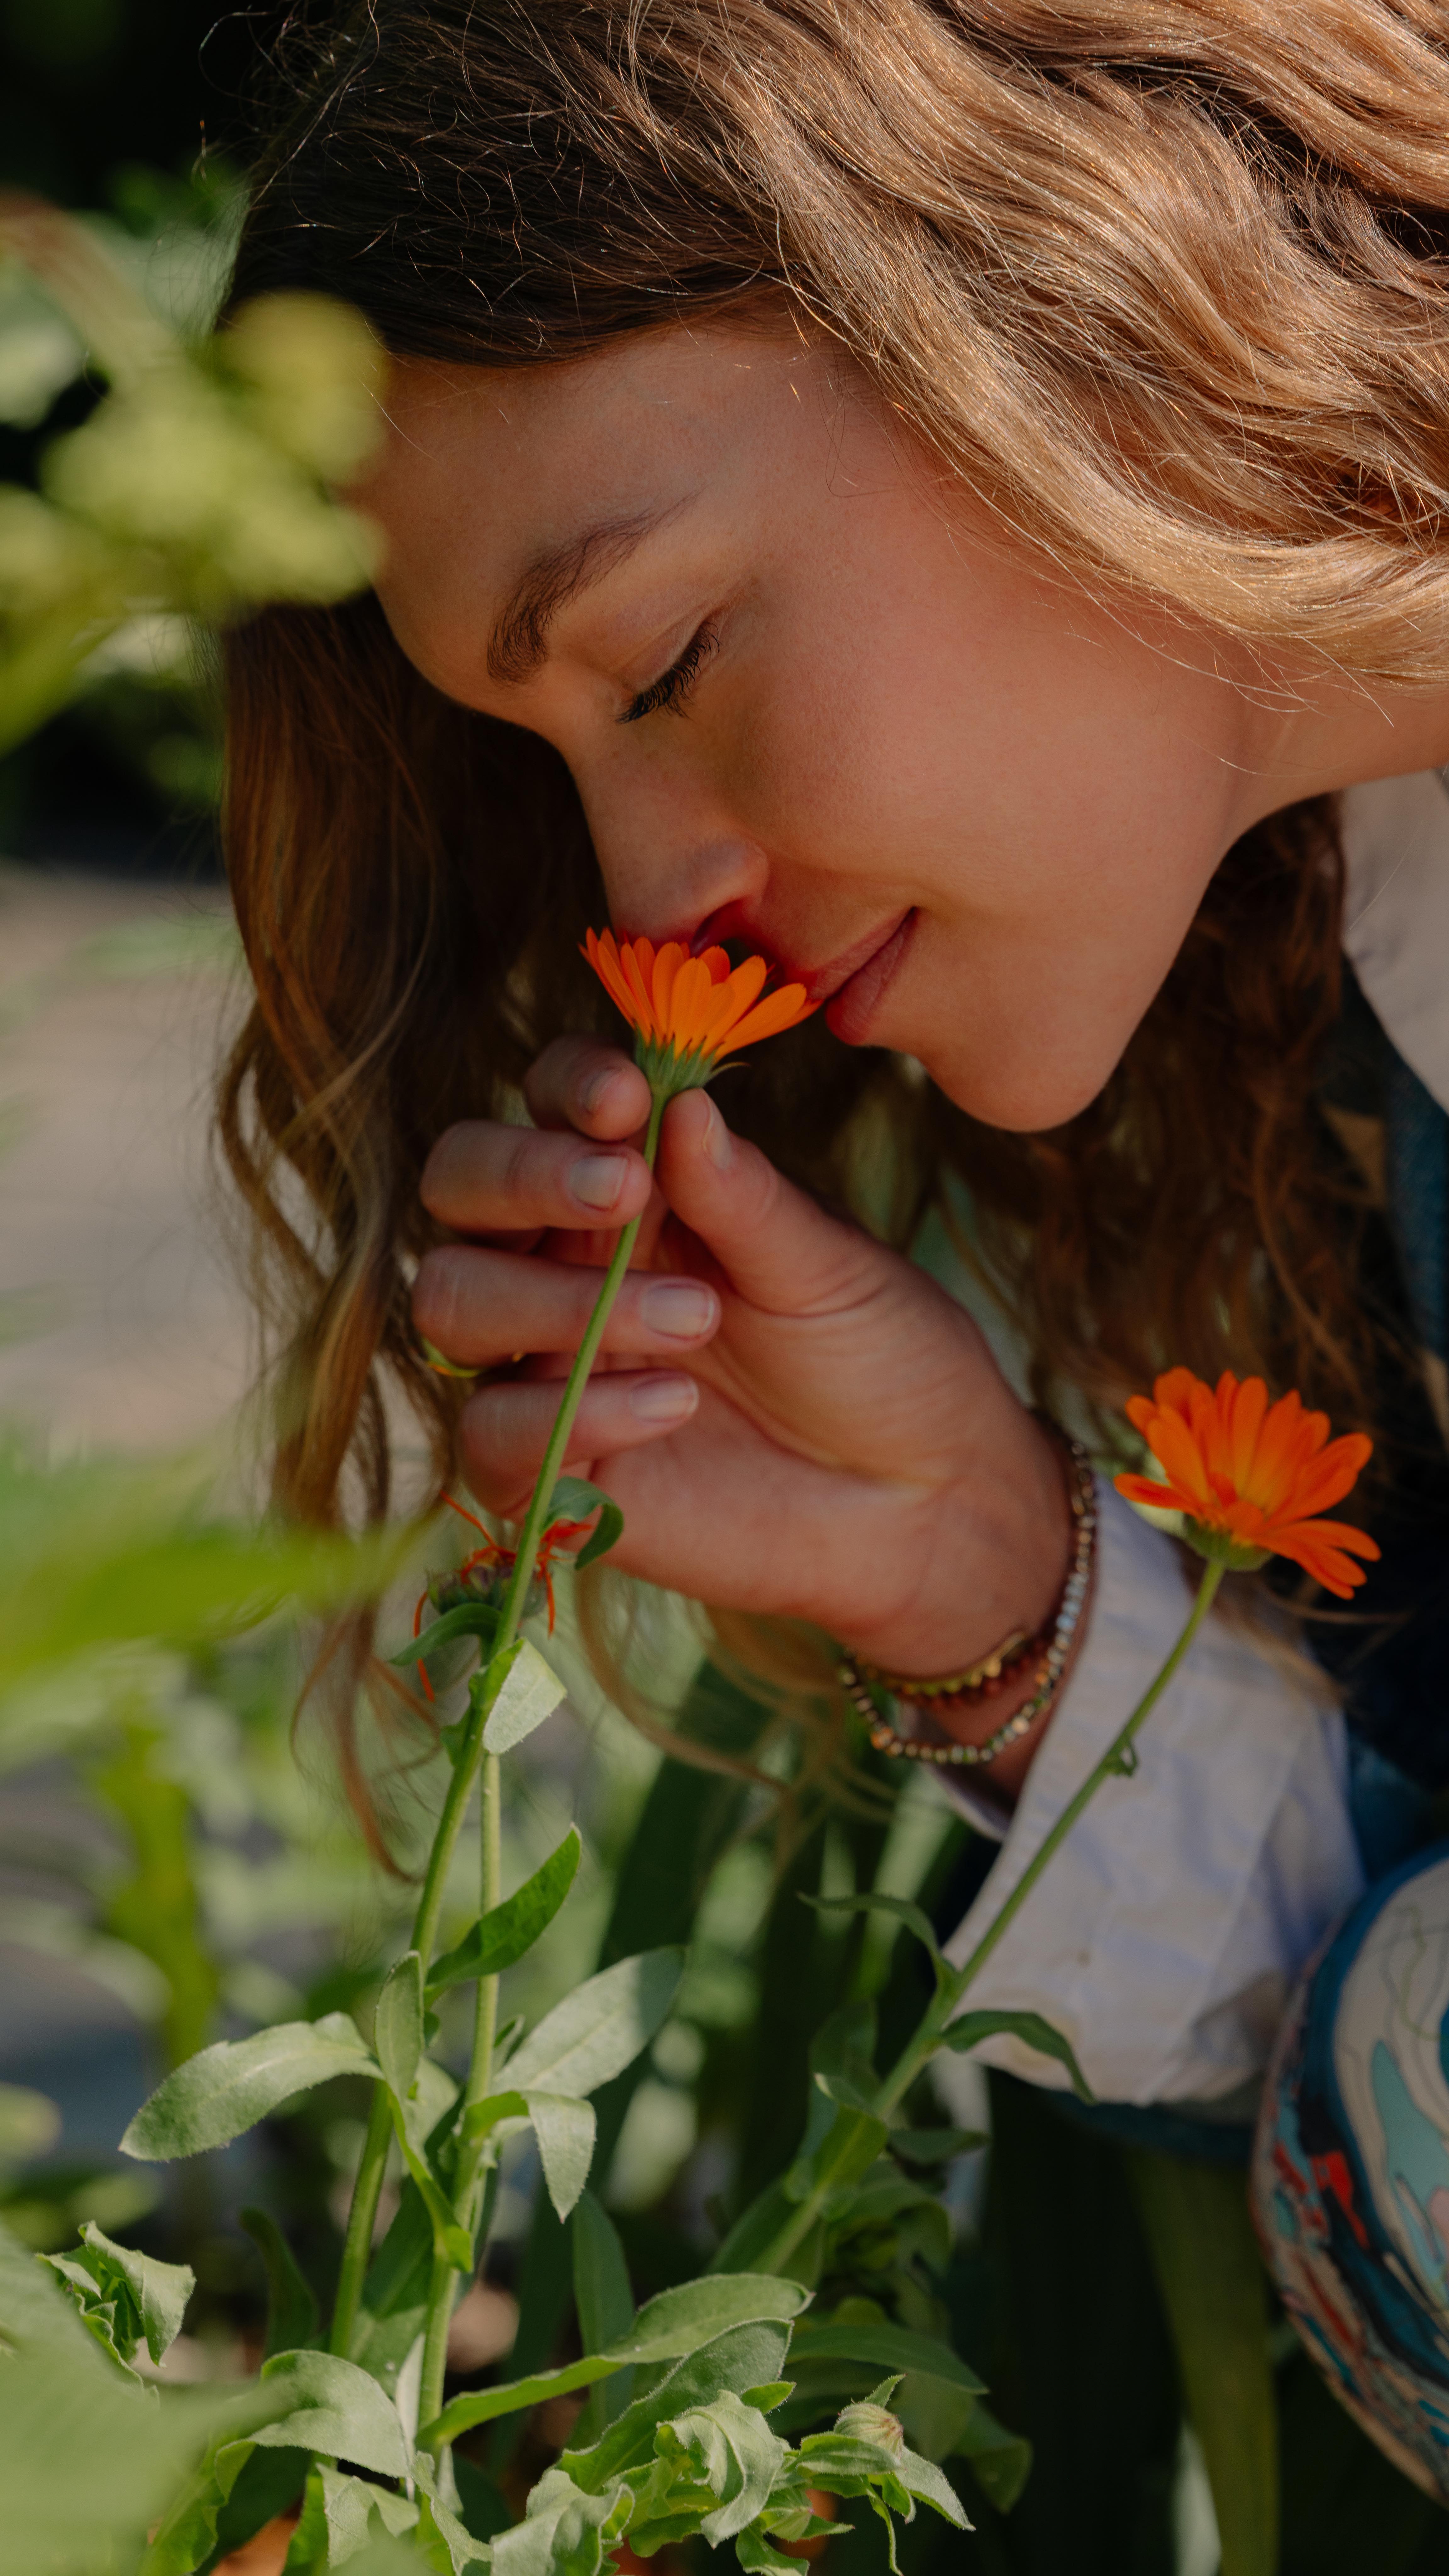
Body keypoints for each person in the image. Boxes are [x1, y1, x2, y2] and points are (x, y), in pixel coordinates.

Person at [218, 0, 1449, 2553]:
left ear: (1065, 281)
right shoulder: (1336, 1048)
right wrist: (992, 1591)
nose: (664, 905)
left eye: (659, 663)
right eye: (561, 770)